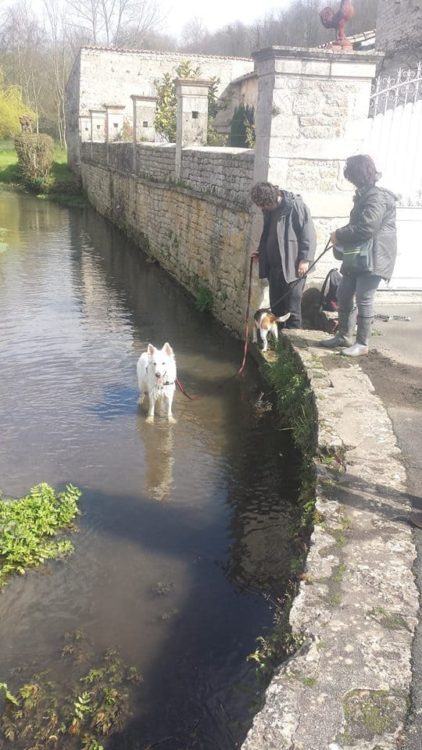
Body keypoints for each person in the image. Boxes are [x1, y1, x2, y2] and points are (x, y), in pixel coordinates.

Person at [320, 154, 397, 356]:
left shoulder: (376, 197)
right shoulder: (365, 194)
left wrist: (339, 235)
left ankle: (362, 343)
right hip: (358, 256)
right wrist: (339, 235)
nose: (349, 179)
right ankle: (344, 336)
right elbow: (359, 225)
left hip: (374, 257)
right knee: (343, 293)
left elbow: (367, 227)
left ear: (358, 174)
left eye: (350, 175)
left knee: (364, 297)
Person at [251, 181, 316, 329]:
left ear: (271, 199)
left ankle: (294, 339)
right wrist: (261, 253)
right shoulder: (269, 210)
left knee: (292, 309)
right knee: (276, 307)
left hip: (293, 268)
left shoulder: (295, 206)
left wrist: (305, 259)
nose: (262, 208)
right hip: (274, 268)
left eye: (263, 205)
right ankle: (279, 339)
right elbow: (268, 234)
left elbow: (308, 234)